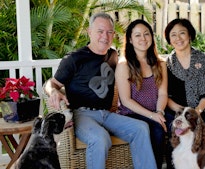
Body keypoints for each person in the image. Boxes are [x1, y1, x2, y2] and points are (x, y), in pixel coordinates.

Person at [45, 12, 157, 169]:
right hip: (81, 115)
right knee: (100, 138)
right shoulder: (74, 58)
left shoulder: (113, 55)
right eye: (100, 31)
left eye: (109, 32)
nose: (105, 36)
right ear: (90, 32)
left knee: (141, 128)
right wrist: (54, 91)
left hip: (107, 114)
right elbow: (51, 83)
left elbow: (127, 72)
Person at [164, 18, 205, 169]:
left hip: (201, 109)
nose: (178, 38)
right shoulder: (166, 64)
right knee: (172, 127)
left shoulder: (204, 60)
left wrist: (196, 112)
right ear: (169, 40)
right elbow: (165, 95)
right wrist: (182, 113)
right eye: (173, 35)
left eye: (182, 33)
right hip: (176, 111)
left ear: (190, 35)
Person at [115, 19, 168, 169]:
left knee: (176, 125)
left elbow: (163, 93)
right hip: (132, 114)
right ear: (130, 40)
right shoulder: (124, 65)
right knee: (157, 130)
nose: (143, 38)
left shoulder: (160, 63)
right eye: (137, 35)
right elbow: (126, 101)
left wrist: (159, 112)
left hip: (156, 110)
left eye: (146, 34)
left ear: (152, 37)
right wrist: (152, 116)